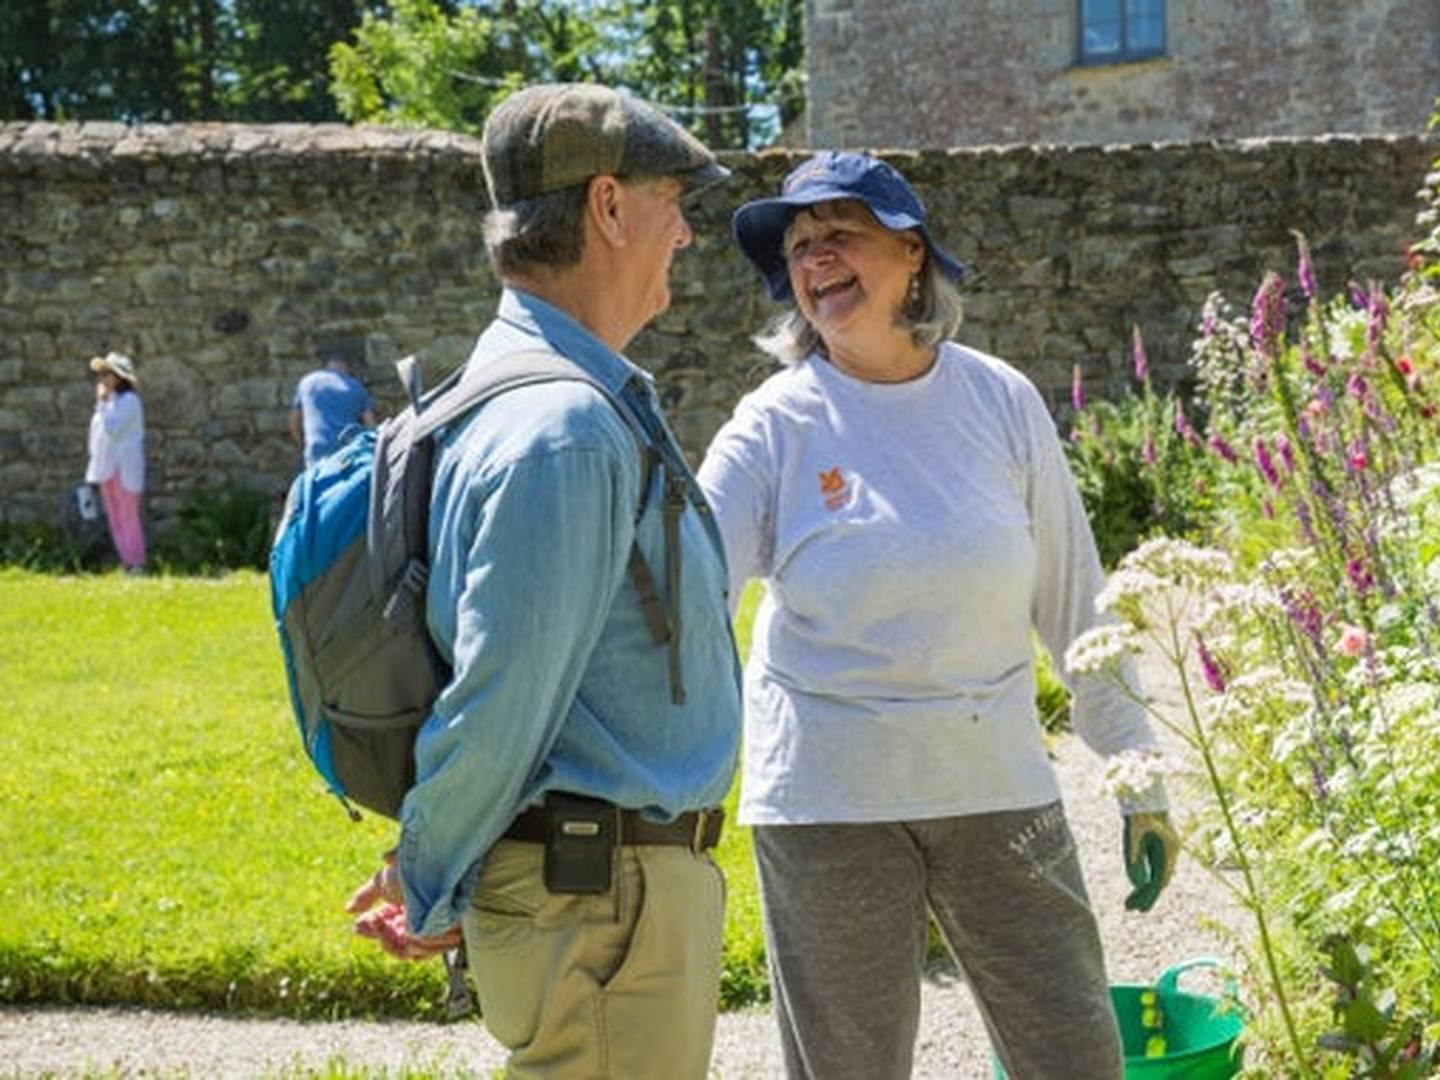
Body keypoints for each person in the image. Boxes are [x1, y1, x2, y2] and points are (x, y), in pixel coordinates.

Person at [697, 151, 1182, 1079]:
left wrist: (1138, 776)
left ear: (911, 252)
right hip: (829, 802)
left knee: (1076, 1056)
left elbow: (1081, 604)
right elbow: (683, 601)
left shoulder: (998, 400)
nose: (815, 258)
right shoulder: (773, 427)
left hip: (994, 785)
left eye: (840, 233)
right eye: (799, 245)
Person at [340, 83, 742, 1080]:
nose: (686, 235)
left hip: (596, 891)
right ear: (608, 207)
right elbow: (503, 691)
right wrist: (428, 878)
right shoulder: (561, 426)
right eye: (671, 202)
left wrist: (435, 860)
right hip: (604, 904)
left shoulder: (521, 395)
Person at [85, 351, 146, 572]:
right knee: (114, 516)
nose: (102, 380)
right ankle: (126, 561)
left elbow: (114, 429)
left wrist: (101, 404)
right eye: (101, 375)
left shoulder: (129, 401)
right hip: (107, 468)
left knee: (128, 516)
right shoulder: (108, 403)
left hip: (124, 467)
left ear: (119, 378)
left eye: (107, 375)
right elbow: (97, 437)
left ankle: (136, 562)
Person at [289, 350, 375, 467]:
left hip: (317, 449)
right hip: (348, 450)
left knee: (316, 484)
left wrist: (302, 445)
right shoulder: (356, 387)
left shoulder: (307, 382)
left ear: (326, 365)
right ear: (347, 367)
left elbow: (294, 422)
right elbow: (370, 426)